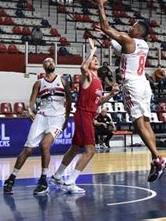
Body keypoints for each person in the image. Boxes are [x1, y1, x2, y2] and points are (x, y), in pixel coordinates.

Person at [91, 0, 166, 182]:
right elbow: (121, 50)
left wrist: (100, 5)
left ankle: (158, 157)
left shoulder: (129, 39)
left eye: (133, 26)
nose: (131, 27)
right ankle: (155, 159)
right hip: (144, 84)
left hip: (132, 85)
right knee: (147, 122)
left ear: (138, 31)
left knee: (138, 124)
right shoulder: (144, 45)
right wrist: (108, 35)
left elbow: (107, 26)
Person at [51, 38, 119, 193]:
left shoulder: (99, 82)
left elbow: (99, 101)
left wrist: (112, 95)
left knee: (75, 148)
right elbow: (83, 66)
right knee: (90, 151)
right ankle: (71, 182)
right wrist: (93, 50)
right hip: (83, 114)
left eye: (96, 59)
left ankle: (57, 175)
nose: (95, 60)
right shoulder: (87, 75)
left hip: (88, 114)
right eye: (93, 59)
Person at [3, 58, 71, 195]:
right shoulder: (38, 83)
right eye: (47, 61)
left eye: (52, 61)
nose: (50, 62)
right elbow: (31, 101)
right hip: (41, 117)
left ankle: (43, 179)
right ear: (43, 66)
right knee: (27, 149)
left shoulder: (62, 80)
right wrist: (30, 111)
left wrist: (66, 119)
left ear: (55, 65)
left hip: (57, 118)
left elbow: (69, 100)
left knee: (45, 146)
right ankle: (11, 178)